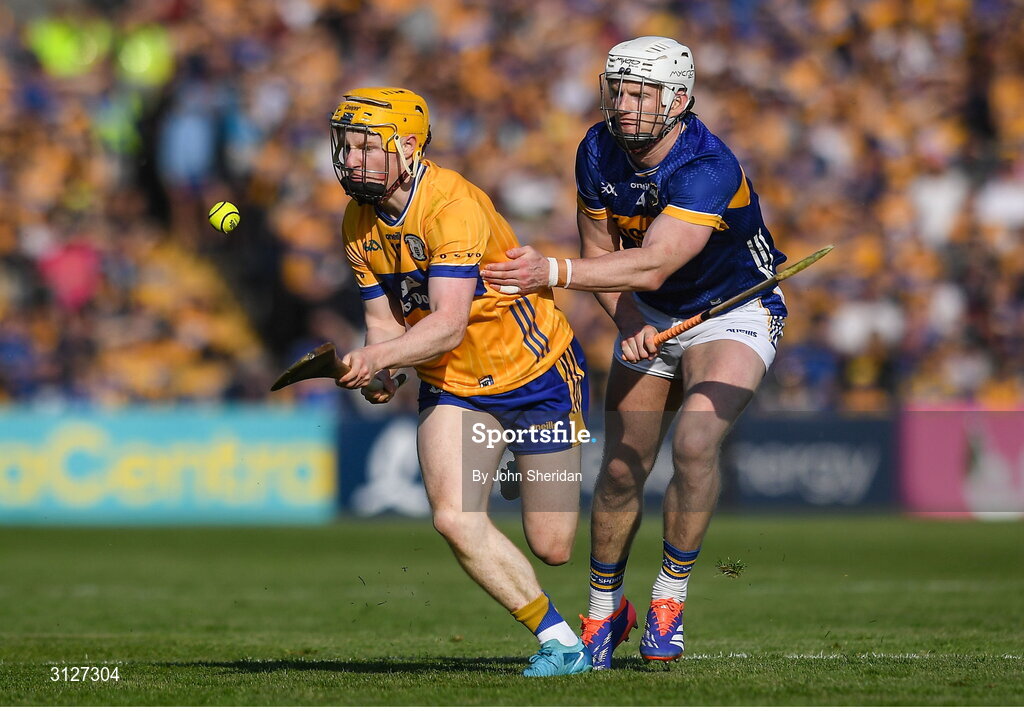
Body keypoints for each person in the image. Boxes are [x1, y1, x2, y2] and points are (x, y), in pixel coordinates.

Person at [481, 37, 787, 668]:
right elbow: (601, 260)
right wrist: (627, 324)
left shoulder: (709, 166)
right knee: (621, 471)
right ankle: (603, 610)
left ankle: (669, 599)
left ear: (677, 98)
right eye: (618, 89)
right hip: (649, 311)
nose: (624, 104)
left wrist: (551, 275)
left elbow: (652, 263)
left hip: (732, 310)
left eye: (640, 92)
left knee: (697, 443)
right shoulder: (595, 149)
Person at [329, 87, 592, 677]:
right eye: (344, 147)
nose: (350, 160)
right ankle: (562, 644)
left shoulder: (452, 206)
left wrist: (382, 358)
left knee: (553, 548)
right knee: (453, 517)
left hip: (536, 372)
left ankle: (608, 608)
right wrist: (381, 373)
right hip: (451, 384)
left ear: (408, 148)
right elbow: (384, 323)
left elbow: (446, 325)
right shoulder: (356, 220)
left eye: (365, 148)